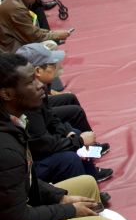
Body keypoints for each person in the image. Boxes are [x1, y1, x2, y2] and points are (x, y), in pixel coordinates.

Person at [0, 53, 118, 220]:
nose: (40, 84)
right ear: (7, 94)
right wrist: (70, 210)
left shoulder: (13, 122)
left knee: (87, 184)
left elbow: (26, 181)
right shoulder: (5, 148)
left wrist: (60, 197)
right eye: (30, 81)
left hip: (19, 210)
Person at [19, 46, 114, 185]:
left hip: (40, 143)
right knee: (69, 157)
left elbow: (50, 117)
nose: (57, 66)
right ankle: (86, 188)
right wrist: (77, 141)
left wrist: (68, 132)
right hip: (32, 160)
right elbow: (42, 143)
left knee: (73, 128)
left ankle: (90, 172)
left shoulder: (38, 89)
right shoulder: (28, 101)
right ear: (37, 71)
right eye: (52, 64)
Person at [0, 0, 70, 52]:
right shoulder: (18, 9)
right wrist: (56, 35)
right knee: (51, 45)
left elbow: (31, 31)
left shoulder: (11, 2)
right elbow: (33, 36)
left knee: (49, 43)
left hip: (10, 44)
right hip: (11, 49)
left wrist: (52, 33)